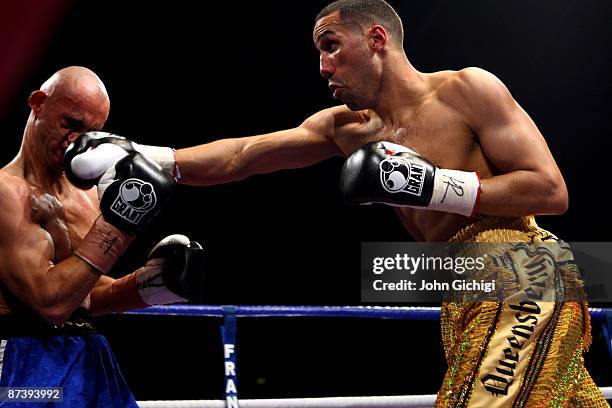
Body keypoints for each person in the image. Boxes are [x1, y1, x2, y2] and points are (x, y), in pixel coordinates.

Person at [67, 0, 608, 406]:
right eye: (318, 52)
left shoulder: (467, 90)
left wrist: (435, 185)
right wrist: (146, 155)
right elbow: (246, 155)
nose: (323, 66)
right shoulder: (348, 129)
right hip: (457, 285)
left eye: (331, 46)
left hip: (522, 270)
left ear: (377, 39)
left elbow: (550, 190)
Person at [0, 66, 206, 407]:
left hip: (90, 357)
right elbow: (50, 303)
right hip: (24, 365)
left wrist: (148, 287)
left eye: (91, 132)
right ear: (38, 103)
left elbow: (84, 296)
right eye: (71, 124)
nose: (76, 141)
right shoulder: (6, 193)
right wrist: (120, 225)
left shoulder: (88, 197)